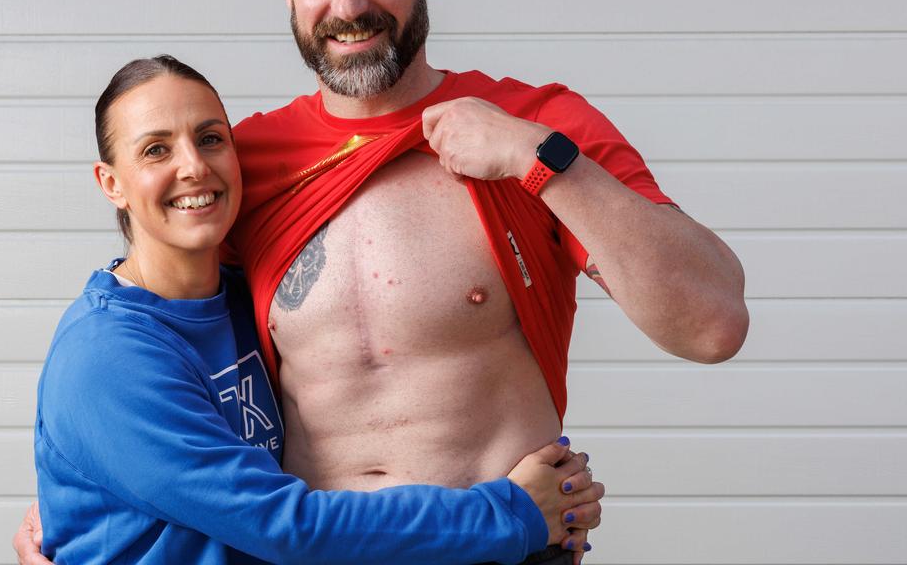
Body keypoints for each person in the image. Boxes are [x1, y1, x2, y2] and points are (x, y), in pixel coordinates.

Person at [19, 0, 749, 563]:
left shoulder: (537, 127)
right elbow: (173, 336)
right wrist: (80, 513)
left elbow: (712, 325)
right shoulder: (244, 164)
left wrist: (537, 157)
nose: (347, 5)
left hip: (504, 548)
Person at [32, 54, 602, 565]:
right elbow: (282, 525)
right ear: (111, 183)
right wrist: (514, 513)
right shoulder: (106, 356)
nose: (193, 167)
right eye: (156, 149)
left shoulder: (242, 298)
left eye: (210, 139)